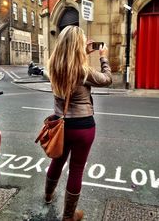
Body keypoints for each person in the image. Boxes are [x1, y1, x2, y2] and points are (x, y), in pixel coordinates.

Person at [45, 25, 112, 221]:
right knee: (76, 169)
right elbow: (107, 79)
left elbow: (68, 62)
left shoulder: (53, 66)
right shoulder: (83, 71)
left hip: (60, 125)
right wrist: (103, 57)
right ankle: (68, 216)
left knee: (57, 161)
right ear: (77, 46)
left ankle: (48, 196)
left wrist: (81, 51)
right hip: (83, 127)